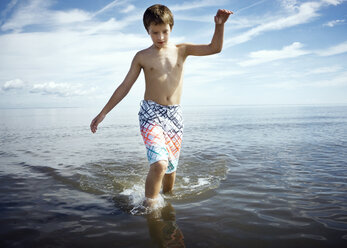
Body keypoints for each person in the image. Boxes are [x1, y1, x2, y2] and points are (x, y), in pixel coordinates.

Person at [90, 4, 232, 206]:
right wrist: (103, 113)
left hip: (174, 116)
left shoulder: (182, 50)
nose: (160, 37)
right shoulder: (142, 56)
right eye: (154, 33)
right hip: (150, 113)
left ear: (171, 28)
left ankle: (168, 204)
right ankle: (150, 208)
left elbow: (214, 48)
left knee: (170, 171)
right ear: (147, 31)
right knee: (159, 164)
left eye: (164, 31)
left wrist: (219, 26)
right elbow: (125, 86)